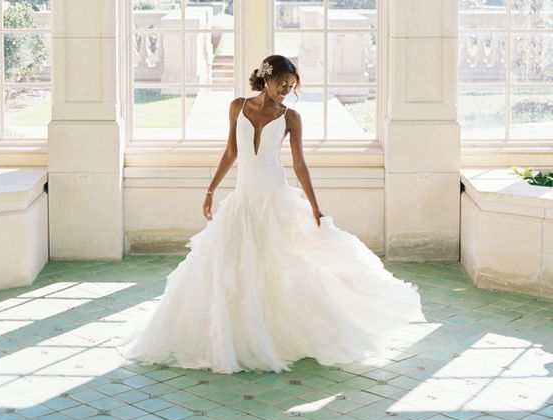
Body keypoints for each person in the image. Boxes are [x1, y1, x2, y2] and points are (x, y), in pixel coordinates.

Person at [115, 55, 426, 374]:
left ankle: (286, 330)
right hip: (243, 200)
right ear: (267, 78)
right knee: (232, 269)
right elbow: (231, 153)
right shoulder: (238, 106)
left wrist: (315, 205)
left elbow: (300, 164)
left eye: (291, 87)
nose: (286, 91)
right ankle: (237, 333)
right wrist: (210, 189)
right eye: (282, 84)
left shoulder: (291, 117)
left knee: (283, 265)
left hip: (276, 198)